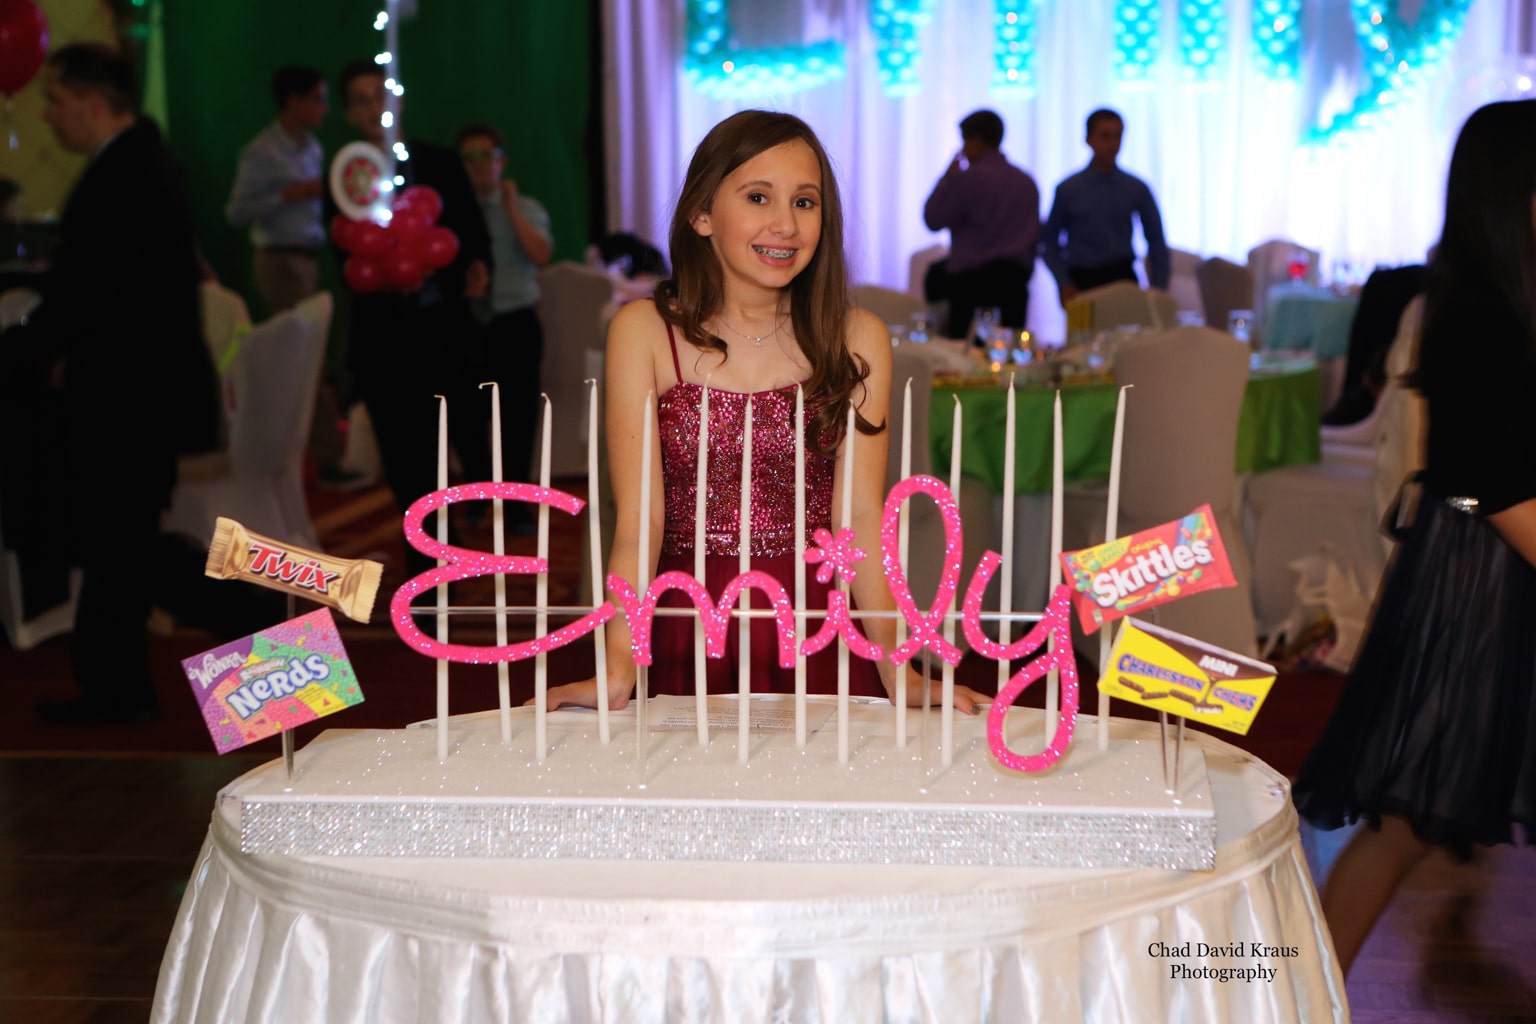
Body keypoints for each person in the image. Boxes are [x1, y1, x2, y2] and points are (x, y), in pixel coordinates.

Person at [535, 110, 984, 715]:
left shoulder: (857, 337)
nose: (785, 224)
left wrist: (900, 667)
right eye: (757, 196)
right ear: (701, 214)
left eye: (805, 202)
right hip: (688, 617)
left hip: (817, 618)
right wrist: (619, 664)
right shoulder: (644, 331)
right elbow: (639, 522)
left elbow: (858, 521)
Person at [1290, 99, 1536, 976]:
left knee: (1405, 822)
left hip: (1490, 553)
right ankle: (1294, 997)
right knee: (1401, 819)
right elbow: (1481, 483)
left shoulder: (1504, 301)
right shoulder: (1476, 314)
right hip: (1480, 570)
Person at [25, 44, 220, 723]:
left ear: (91, 101)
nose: (49, 116)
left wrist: (31, 348)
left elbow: (93, 295)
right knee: (123, 551)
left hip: (128, 403)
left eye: (54, 99)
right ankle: (117, 691)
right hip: (135, 398)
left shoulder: (127, 172)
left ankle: (279, 639)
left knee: (135, 553)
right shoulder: (140, 162)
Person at [331, 59, 491, 574]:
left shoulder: (438, 163)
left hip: (443, 333)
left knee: (454, 447)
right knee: (406, 462)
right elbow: (343, 253)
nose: (373, 106)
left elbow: (471, 236)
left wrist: (468, 269)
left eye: (380, 94)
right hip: (384, 340)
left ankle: (461, 541)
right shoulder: (344, 178)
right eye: (359, 99)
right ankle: (426, 573)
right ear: (349, 112)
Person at [457, 121, 551, 529]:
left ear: (501, 162)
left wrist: (509, 207)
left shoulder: (525, 206)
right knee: (467, 416)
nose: (479, 166)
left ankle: (516, 505)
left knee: (517, 417)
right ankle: (478, 499)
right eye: (470, 158)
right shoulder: (451, 212)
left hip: (516, 323)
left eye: (487, 156)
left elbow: (541, 254)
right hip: (468, 324)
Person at [922, 109, 1040, 340]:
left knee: (965, 365)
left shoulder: (967, 180)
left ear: (974, 141)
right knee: (1010, 361)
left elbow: (932, 219)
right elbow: (1035, 236)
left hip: (970, 288)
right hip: (1014, 285)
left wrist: (947, 178)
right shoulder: (1026, 182)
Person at [224, 65, 328, 316]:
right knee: (292, 344)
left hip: (309, 256)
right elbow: (236, 213)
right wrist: (289, 195)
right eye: (317, 100)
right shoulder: (261, 151)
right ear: (293, 100)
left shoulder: (313, 148)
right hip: (279, 260)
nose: (324, 109)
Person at [1041, 109, 1169, 306]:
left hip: (1122, 278)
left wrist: (1159, 288)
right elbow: (1050, 244)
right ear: (1089, 139)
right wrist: (1063, 282)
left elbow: (1156, 241)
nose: (1112, 144)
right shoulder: (1069, 189)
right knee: (1082, 336)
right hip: (1081, 281)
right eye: (1105, 136)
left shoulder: (1136, 188)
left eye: (1117, 136)